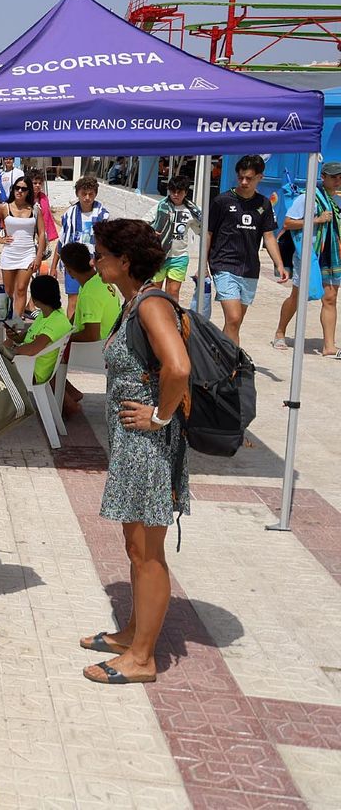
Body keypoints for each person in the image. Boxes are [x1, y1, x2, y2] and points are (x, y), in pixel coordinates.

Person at [79, 219, 190, 685]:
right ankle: (132, 633)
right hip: (131, 446)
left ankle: (143, 658)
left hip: (149, 446)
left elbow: (178, 368)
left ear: (124, 261)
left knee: (148, 552)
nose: (94, 262)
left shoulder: (150, 305)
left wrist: (159, 416)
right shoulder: (133, 303)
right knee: (134, 544)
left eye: (100, 254)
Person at [207, 154, 288, 345]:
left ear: (260, 177)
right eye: (240, 177)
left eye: (249, 178)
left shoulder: (264, 204)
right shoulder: (222, 201)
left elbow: (268, 236)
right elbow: (208, 234)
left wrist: (279, 264)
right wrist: (203, 264)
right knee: (233, 318)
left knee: (235, 323)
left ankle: (221, 356)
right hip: (224, 265)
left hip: (250, 270)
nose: (244, 182)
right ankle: (233, 365)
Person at [273, 159, 341, 356]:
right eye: (333, 177)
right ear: (323, 177)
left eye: (340, 177)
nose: (337, 181)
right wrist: (317, 220)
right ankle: (280, 332)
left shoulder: (336, 199)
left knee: (330, 298)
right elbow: (287, 223)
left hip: (331, 255)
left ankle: (329, 346)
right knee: (297, 296)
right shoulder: (308, 197)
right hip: (310, 254)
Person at [60, 242, 120, 416]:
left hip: (97, 350)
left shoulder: (89, 293)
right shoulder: (101, 282)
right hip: (108, 342)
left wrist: (63, 339)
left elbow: (91, 334)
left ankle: (68, 405)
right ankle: (71, 393)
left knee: (44, 357)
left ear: (69, 270)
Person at [0, 177, 44, 319]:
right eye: (17, 187)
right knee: (8, 291)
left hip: (28, 253)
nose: (19, 191)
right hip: (9, 253)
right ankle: (8, 319)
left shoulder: (35, 209)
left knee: (21, 289)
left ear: (28, 191)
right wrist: (0, 239)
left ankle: (16, 324)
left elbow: (42, 233)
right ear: (13, 189)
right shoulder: (4, 207)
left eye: (24, 189)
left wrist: (38, 257)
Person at [7, 275, 74, 387]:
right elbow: (30, 336)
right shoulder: (47, 314)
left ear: (36, 301)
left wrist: (10, 350)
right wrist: (15, 338)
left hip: (32, 370)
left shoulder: (55, 322)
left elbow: (32, 349)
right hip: (30, 364)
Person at [58, 176, 110, 321]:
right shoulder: (69, 215)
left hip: (96, 264)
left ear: (95, 194)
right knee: (73, 300)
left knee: (95, 297)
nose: (87, 198)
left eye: (91, 194)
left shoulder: (103, 215)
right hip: (74, 262)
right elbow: (61, 240)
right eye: (84, 193)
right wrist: (54, 265)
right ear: (77, 194)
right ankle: (71, 333)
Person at [149, 175, 202, 303]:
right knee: (154, 292)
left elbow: (202, 230)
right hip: (158, 255)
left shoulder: (193, 211)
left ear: (186, 192)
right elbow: (145, 224)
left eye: (179, 192)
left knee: (172, 293)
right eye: (173, 191)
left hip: (179, 257)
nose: (176, 195)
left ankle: (172, 319)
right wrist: (151, 232)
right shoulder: (160, 207)